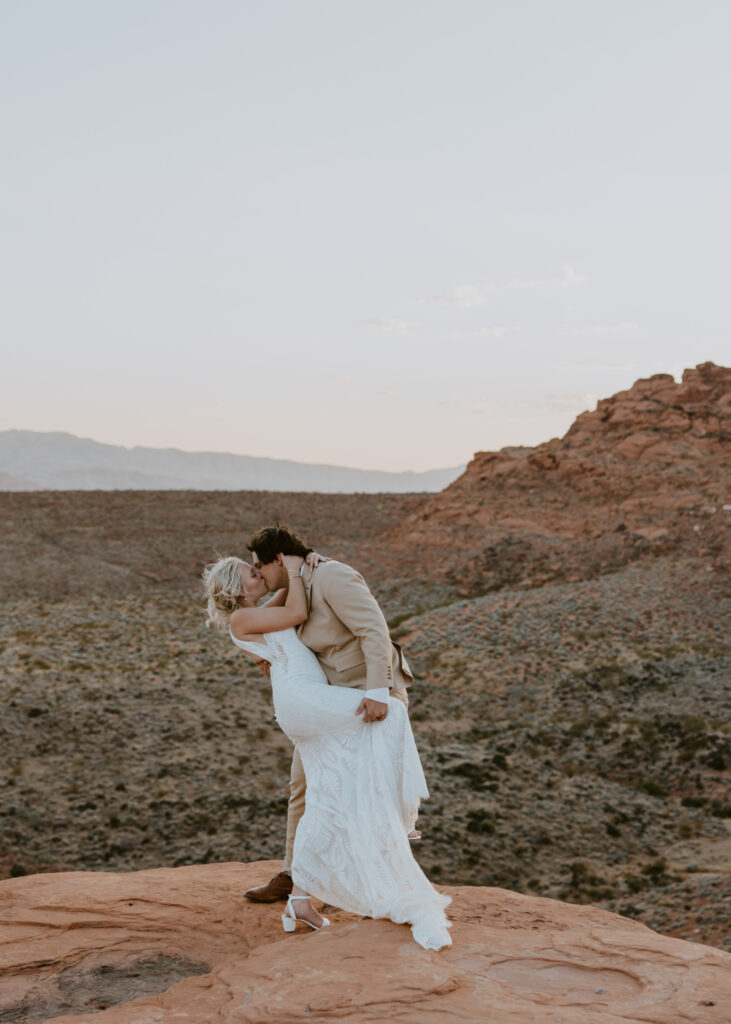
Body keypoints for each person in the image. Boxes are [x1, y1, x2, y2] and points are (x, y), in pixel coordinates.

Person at [203, 541, 452, 950]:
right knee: (390, 718)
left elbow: (287, 599)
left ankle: (300, 896)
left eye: (259, 567)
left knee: (324, 791)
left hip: (310, 696)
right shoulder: (247, 616)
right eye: (250, 573)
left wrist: (305, 564)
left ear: (277, 561)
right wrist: (299, 572)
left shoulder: (262, 607)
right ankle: (399, 822)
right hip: (305, 698)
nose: (258, 574)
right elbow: (296, 611)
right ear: (239, 586)